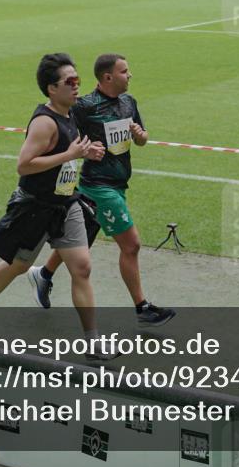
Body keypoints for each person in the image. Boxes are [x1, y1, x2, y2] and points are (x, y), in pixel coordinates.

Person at [0, 53, 113, 358]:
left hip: (66, 203)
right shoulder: (45, 123)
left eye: (77, 80)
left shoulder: (71, 114)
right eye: (69, 82)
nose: (76, 86)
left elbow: (70, 153)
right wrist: (69, 155)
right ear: (50, 89)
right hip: (35, 206)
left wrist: (85, 152)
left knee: (81, 267)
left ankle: (92, 341)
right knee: (17, 265)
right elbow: (24, 165)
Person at [27, 53, 175, 327]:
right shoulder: (83, 106)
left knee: (77, 243)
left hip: (119, 185)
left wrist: (141, 137)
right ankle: (142, 307)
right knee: (131, 245)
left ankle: (44, 274)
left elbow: (140, 138)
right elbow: (66, 135)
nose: (130, 75)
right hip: (97, 186)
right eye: (124, 71)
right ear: (107, 77)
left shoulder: (129, 102)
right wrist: (85, 152)